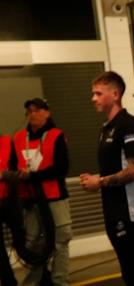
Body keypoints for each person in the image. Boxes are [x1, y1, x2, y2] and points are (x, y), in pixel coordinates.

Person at [80, 71, 134, 286]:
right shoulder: (106, 128)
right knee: (129, 273)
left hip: (129, 213)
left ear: (115, 94)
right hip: (112, 210)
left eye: (98, 93)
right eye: (93, 94)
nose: (93, 98)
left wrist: (99, 182)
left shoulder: (129, 125)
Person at [13, 98, 72, 286]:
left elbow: (62, 168)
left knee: (60, 242)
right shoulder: (19, 138)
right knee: (33, 245)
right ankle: (33, 282)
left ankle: (59, 281)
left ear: (47, 113)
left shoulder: (56, 136)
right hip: (31, 201)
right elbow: (14, 167)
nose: (33, 114)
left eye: (37, 110)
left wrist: (33, 175)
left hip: (55, 198)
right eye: (29, 111)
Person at [0, 133, 18, 286]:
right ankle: (9, 281)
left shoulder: (6, 142)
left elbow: (15, 168)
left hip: (9, 200)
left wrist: (8, 175)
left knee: (22, 239)